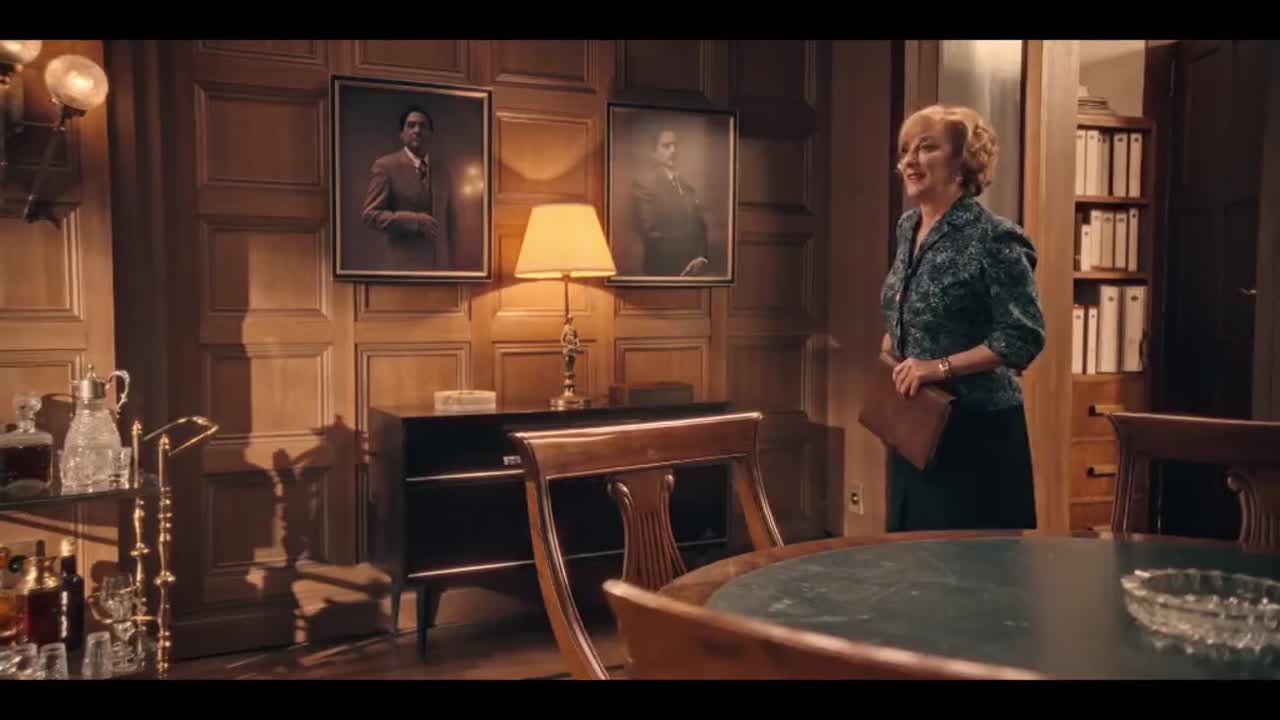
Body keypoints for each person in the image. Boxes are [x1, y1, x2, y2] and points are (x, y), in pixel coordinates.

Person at [878, 104, 1046, 533]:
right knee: (909, 557)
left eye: (926, 148)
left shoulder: (994, 237)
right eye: (905, 151)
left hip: (976, 434)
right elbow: (913, 303)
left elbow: (1023, 336)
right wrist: (895, 339)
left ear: (961, 162)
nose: (910, 161)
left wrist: (936, 367)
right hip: (915, 427)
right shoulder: (908, 227)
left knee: (964, 566)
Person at [360, 106, 453, 270]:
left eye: (423, 126)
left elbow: (451, 222)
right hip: (402, 269)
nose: (417, 130)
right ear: (402, 134)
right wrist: (415, 221)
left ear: (430, 133)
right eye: (411, 125)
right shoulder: (385, 166)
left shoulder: (443, 170)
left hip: (439, 271)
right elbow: (370, 215)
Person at [632, 127, 709, 277]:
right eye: (666, 146)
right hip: (662, 271)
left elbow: (701, 227)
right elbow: (650, 233)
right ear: (654, 153)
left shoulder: (687, 188)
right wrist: (686, 262)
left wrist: (701, 258)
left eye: (675, 146)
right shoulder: (644, 185)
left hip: (693, 272)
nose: (673, 150)